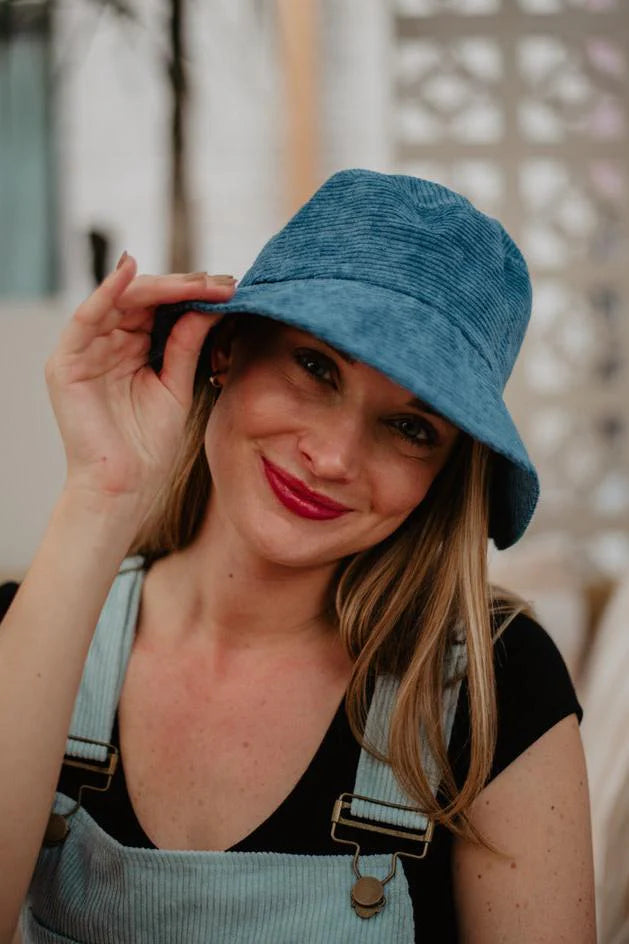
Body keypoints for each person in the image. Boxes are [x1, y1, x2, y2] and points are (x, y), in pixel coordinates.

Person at [0, 169, 595, 943]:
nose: (334, 457)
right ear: (226, 352)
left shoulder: (495, 686)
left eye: (410, 428)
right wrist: (100, 495)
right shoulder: (29, 633)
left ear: (444, 472)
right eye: (316, 368)